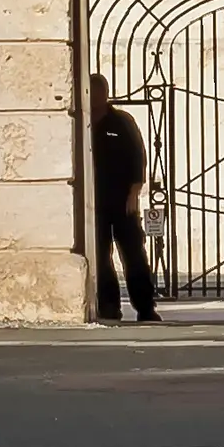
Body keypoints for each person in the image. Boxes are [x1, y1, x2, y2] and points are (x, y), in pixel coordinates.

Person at [89, 73, 160, 323]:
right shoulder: (80, 122)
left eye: (98, 91)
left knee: (133, 255)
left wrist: (135, 191)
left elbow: (138, 156)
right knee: (99, 256)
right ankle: (109, 307)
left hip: (122, 201)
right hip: (93, 202)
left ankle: (145, 307)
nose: (94, 96)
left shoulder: (121, 122)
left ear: (105, 93)